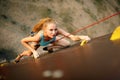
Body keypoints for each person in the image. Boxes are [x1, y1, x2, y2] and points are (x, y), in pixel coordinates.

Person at [14, 17, 90, 63]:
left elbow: (72, 37)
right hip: (39, 42)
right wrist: (34, 51)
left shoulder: (57, 31)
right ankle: (20, 56)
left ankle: (50, 47)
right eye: (51, 30)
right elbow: (22, 41)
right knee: (28, 54)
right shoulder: (38, 37)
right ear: (45, 30)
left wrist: (81, 37)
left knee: (67, 44)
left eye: (55, 29)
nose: (54, 32)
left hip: (51, 41)